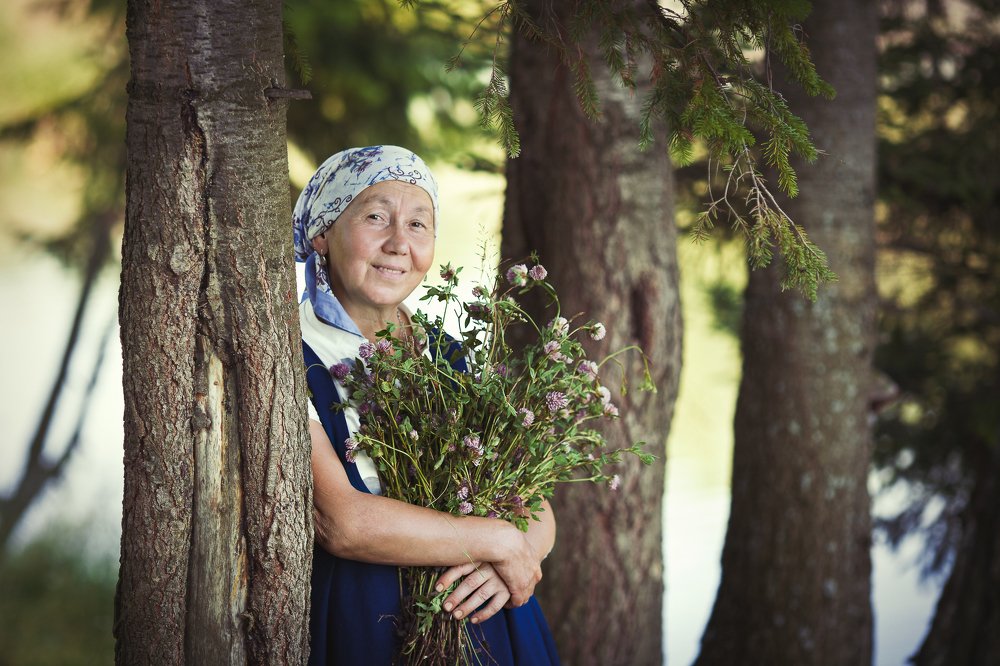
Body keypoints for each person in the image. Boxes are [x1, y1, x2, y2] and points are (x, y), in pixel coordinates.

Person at [292, 145, 560, 666]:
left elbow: (536, 501)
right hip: (369, 620)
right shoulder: (290, 352)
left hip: (485, 606)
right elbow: (341, 522)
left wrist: (517, 556)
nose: (398, 243)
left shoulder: (450, 352)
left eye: (419, 224)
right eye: (375, 216)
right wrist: (500, 543)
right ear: (322, 233)